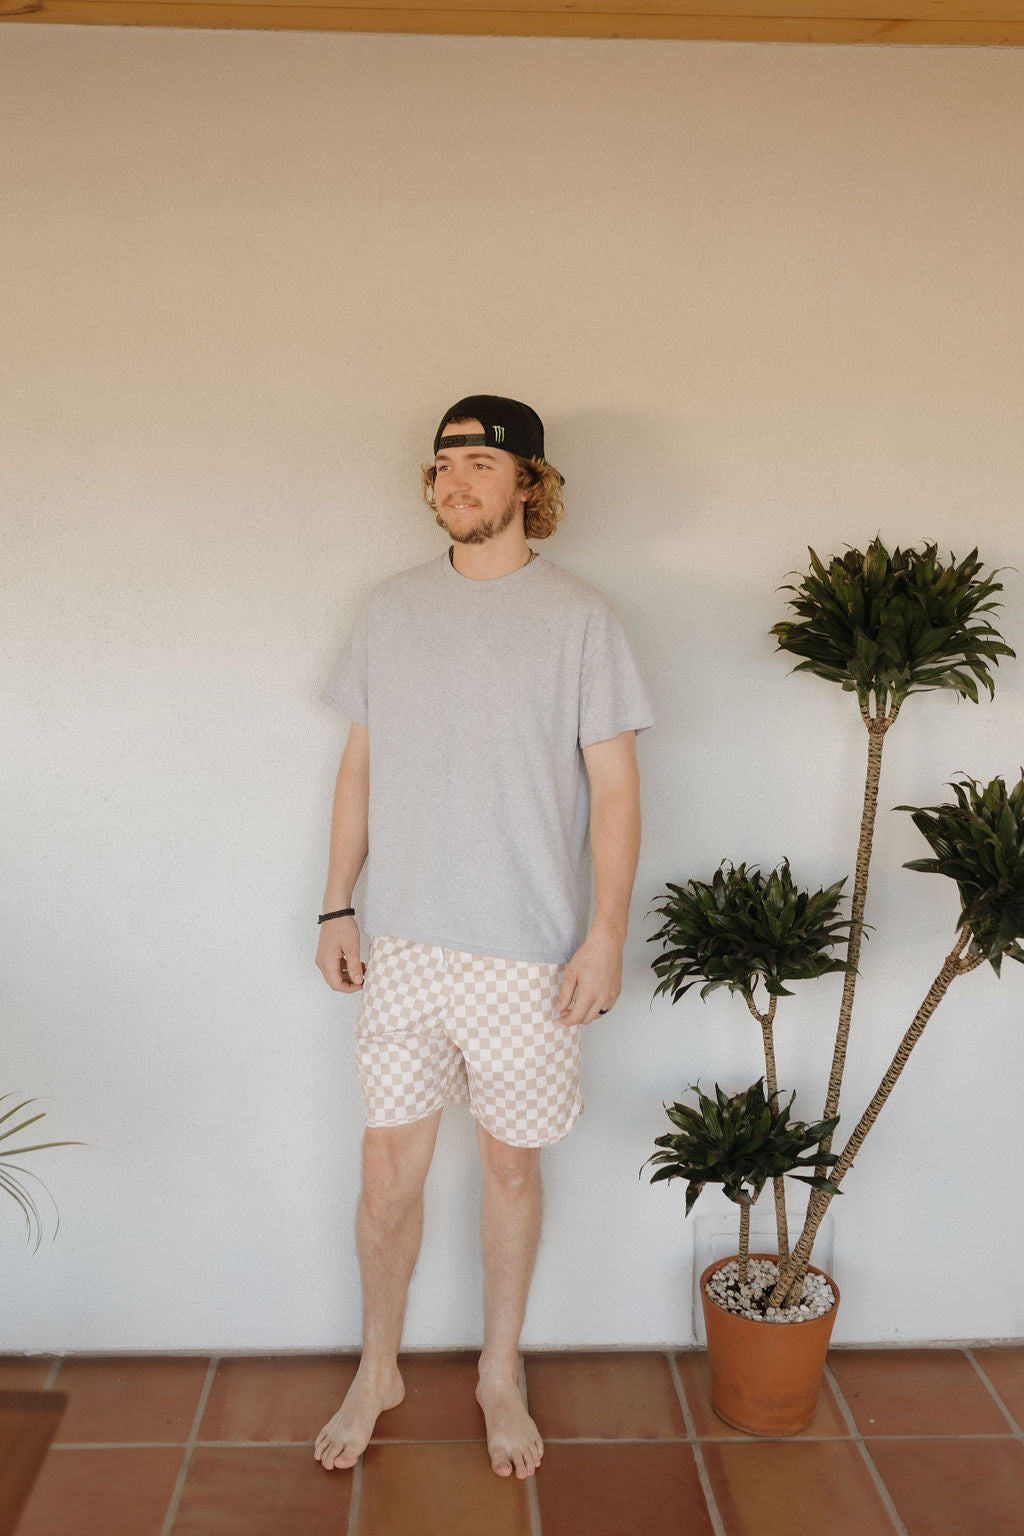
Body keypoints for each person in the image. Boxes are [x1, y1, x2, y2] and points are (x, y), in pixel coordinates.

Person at [313, 394, 654, 1481]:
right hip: (405, 940)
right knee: (385, 1176)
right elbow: (359, 767)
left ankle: (497, 1371)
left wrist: (604, 937)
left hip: (527, 950)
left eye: (480, 463)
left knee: (509, 1169)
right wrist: (335, 902)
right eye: (444, 463)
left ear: (528, 486)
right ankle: (379, 1367)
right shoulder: (390, 610)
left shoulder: (580, 619)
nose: (455, 479)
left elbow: (614, 793)